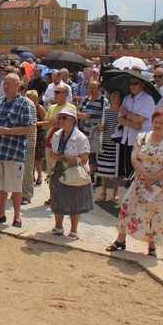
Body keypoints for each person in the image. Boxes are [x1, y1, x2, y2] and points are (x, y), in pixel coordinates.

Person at [106, 109, 163, 257]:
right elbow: (134, 158)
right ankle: (120, 239)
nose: (158, 125)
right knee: (127, 204)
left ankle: (152, 246)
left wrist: (154, 179)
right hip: (140, 180)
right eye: (155, 122)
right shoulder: (142, 137)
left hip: (161, 185)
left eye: (161, 123)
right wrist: (146, 176)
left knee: (155, 212)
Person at [0, 73, 33, 227]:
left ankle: (17, 217)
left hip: (14, 151)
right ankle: (1, 214)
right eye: (5, 83)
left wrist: (7, 131)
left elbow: (28, 128)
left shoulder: (23, 103)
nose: (5, 85)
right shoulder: (0, 101)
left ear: (17, 86)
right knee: (0, 186)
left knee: (15, 187)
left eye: (9, 83)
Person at [48, 107, 92, 238]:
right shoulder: (57, 134)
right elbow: (51, 151)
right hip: (59, 169)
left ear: (73, 120)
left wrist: (66, 157)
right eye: (59, 118)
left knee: (74, 199)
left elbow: (84, 160)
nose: (60, 120)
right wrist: (54, 154)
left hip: (74, 171)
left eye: (63, 118)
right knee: (57, 197)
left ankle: (73, 230)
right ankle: (58, 226)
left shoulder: (81, 137)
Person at [117, 76, 156, 181]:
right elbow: (120, 119)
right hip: (127, 138)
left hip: (141, 139)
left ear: (142, 85)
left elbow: (140, 119)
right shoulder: (127, 98)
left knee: (140, 169)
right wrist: (132, 124)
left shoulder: (148, 99)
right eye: (131, 83)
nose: (132, 86)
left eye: (136, 83)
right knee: (129, 168)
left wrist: (126, 113)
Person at [96, 89, 123, 202]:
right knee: (103, 169)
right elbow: (100, 123)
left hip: (116, 144)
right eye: (112, 95)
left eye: (116, 95)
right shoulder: (106, 109)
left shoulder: (122, 111)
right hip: (105, 142)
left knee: (115, 169)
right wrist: (100, 126)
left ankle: (115, 191)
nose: (113, 97)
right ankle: (103, 191)